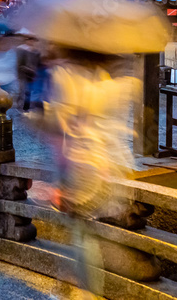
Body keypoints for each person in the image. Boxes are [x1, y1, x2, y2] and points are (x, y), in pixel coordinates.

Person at [44, 49, 140, 297]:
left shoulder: (74, 81)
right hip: (109, 166)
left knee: (83, 232)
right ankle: (88, 287)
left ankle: (89, 290)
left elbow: (65, 126)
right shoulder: (119, 84)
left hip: (86, 166)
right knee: (87, 232)